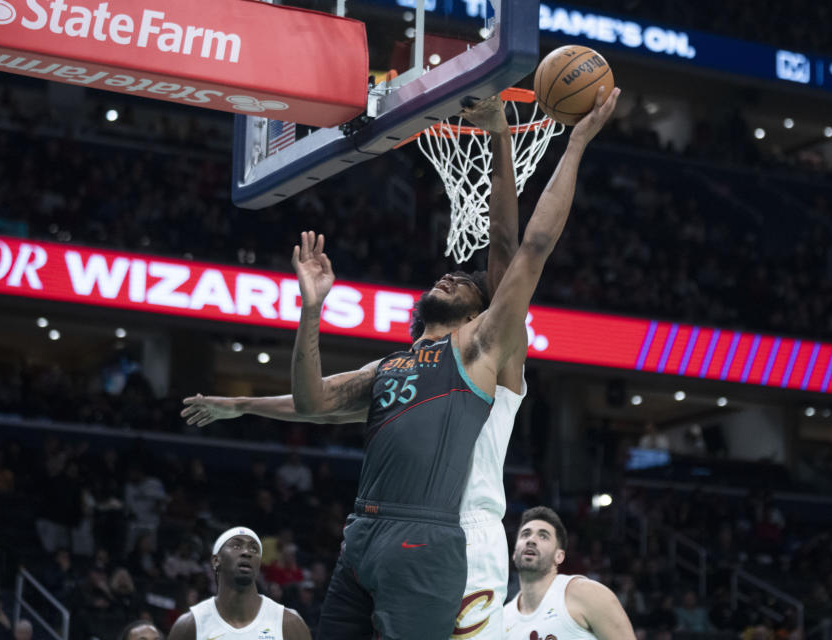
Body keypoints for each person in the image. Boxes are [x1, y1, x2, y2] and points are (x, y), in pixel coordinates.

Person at [182, 87, 620, 639]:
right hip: (374, 529)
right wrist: (245, 400)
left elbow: (517, 245)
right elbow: (317, 402)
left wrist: (528, 138)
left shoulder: (489, 350)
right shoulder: (394, 368)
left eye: (469, 281)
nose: (456, 274)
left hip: (460, 537)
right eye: (453, 275)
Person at [504, 506, 635, 640]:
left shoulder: (587, 593)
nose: (531, 540)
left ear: (559, 556)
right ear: (514, 554)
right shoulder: (503, 619)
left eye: (543, 536)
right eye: (525, 534)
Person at [167, 526, 311, 640]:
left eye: (254, 549)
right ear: (216, 561)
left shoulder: (289, 623)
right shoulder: (190, 624)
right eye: (236, 546)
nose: (247, 553)